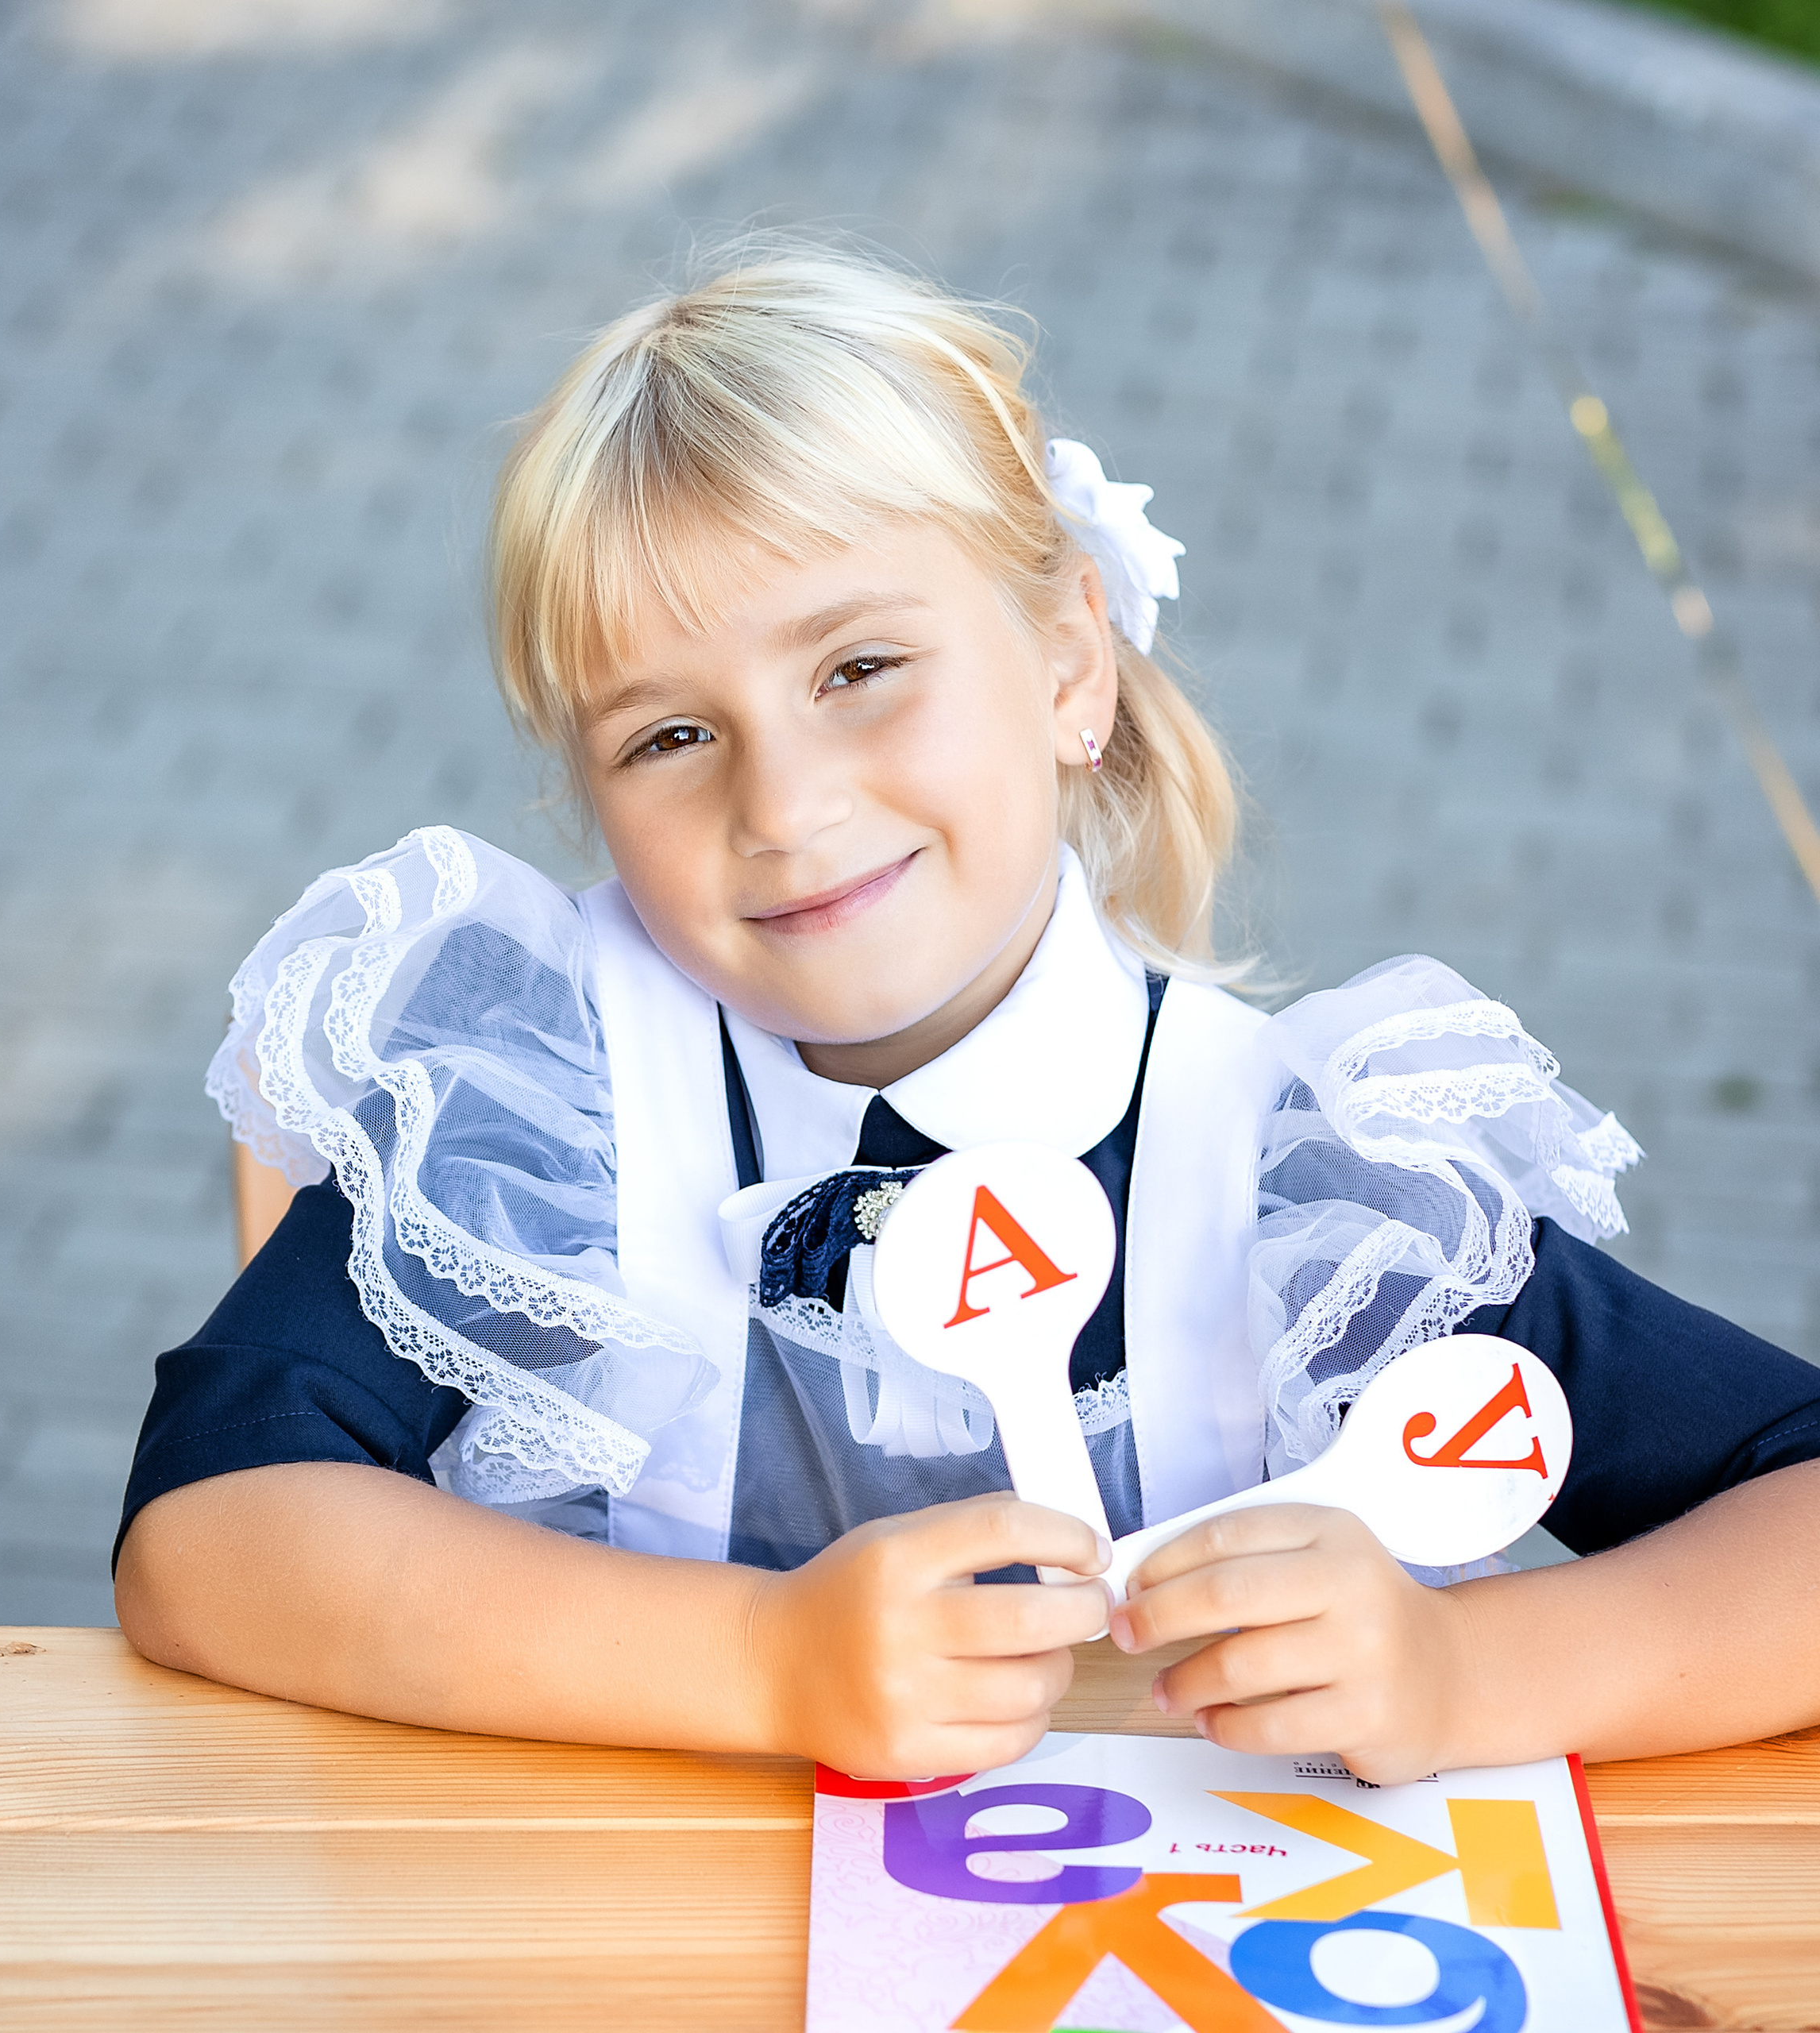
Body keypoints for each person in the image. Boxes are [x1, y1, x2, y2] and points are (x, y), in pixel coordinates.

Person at [114, 243, 1820, 1785]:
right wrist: (761, 1660)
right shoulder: (532, 1107)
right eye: (666, 735)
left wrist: (1466, 1664)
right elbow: (207, 1534)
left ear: (1069, 658)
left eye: (857, 668)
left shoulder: (1307, 1182)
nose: (781, 804)